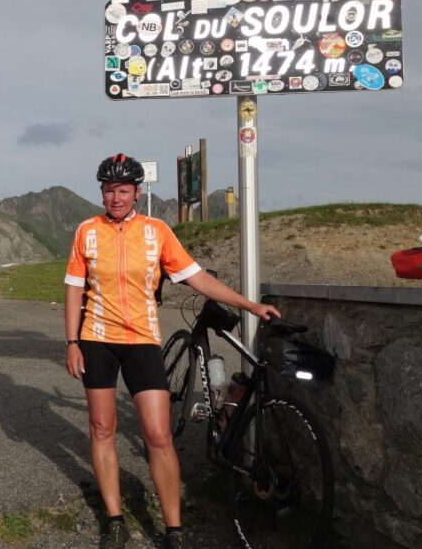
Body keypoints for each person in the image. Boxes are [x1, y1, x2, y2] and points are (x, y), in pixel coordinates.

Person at [64, 153, 280, 549]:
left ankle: (174, 529)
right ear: (102, 193)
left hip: (142, 340)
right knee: (102, 428)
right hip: (96, 339)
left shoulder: (156, 231)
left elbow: (196, 277)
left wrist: (248, 305)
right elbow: (75, 287)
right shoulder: (86, 232)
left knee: (159, 434)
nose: (116, 198)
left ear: (137, 192)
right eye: (109, 191)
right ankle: (114, 520)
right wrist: (72, 342)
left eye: (123, 191)